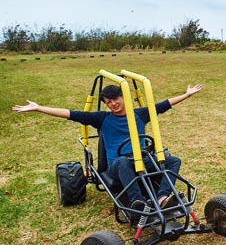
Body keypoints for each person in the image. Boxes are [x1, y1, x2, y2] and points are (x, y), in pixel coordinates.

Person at [12, 83, 203, 211]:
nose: (113, 104)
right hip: (117, 165)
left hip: (143, 160)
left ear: (124, 97)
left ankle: (162, 197)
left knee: (173, 160)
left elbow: (164, 104)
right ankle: (140, 203)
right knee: (122, 162)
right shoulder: (102, 118)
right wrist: (38, 107)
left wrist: (187, 94)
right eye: (108, 102)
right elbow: (69, 113)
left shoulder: (140, 114)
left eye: (116, 100)